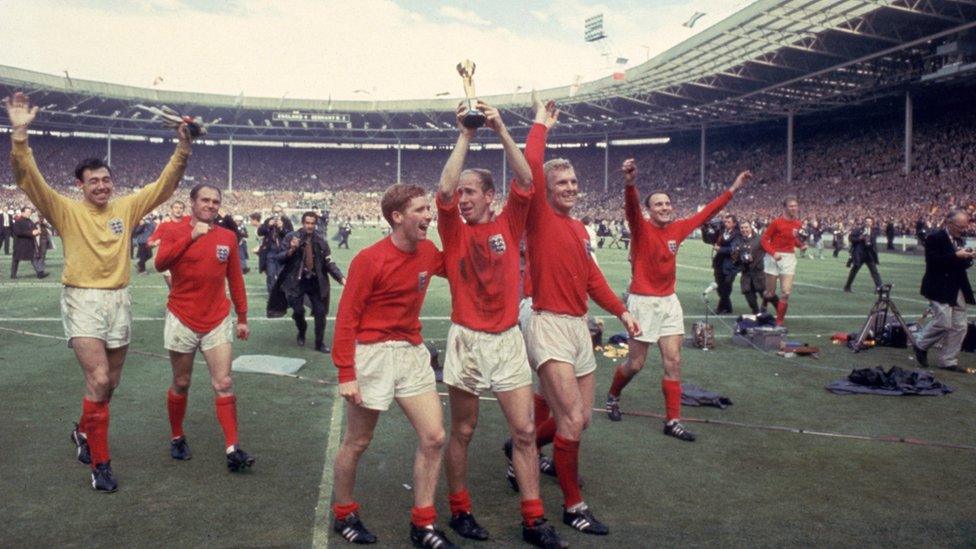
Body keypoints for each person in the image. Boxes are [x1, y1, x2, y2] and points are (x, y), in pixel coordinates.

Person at [4, 91, 192, 492]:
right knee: (99, 377)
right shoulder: (65, 209)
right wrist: (20, 134)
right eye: (94, 181)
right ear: (81, 185)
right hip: (82, 298)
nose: (102, 186)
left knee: (109, 386)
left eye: (106, 180)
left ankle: (82, 430)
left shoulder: (125, 208)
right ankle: (101, 464)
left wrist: (183, 147)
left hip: (119, 300)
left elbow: (164, 186)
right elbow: (28, 180)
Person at [435, 101, 564, 547]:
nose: (464, 199)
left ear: (491, 196)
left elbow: (528, 178)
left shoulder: (510, 221)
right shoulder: (453, 229)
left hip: (507, 339)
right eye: (463, 193)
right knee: (464, 430)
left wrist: (500, 127)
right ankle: (459, 509)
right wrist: (467, 135)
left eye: (473, 192)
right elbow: (444, 189)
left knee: (525, 431)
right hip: (466, 341)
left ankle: (533, 520)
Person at [522, 96, 639, 536]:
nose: (570, 187)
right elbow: (531, 165)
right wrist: (541, 125)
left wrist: (623, 311)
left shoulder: (578, 228)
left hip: (577, 326)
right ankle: (574, 506)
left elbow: (592, 279)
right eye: (562, 182)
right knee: (570, 418)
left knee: (581, 418)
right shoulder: (538, 216)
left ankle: (524, 449)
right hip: (548, 323)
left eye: (573, 181)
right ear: (548, 189)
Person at [329, 184, 456, 548]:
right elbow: (347, 319)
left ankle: (424, 524)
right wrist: (346, 374)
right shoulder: (369, 260)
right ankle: (344, 513)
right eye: (420, 210)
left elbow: (462, 266)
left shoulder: (429, 251)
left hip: (412, 352)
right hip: (373, 354)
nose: (428, 216)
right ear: (398, 217)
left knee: (434, 437)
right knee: (358, 441)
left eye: (429, 209)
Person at [605, 159, 751, 443]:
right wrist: (630, 183)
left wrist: (734, 188)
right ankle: (613, 395)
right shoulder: (640, 227)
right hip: (642, 302)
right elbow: (631, 207)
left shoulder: (679, 228)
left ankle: (672, 421)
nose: (664, 207)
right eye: (657, 204)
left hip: (669, 302)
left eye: (667, 203)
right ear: (649, 210)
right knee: (635, 364)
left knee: (674, 361)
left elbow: (710, 211)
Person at [154, 184, 254, 470]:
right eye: (205, 200)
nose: (210, 205)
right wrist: (191, 236)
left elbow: (235, 278)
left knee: (223, 382)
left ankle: (233, 448)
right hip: (182, 316)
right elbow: (161, 263)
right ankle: (177, 437)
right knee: (181, 382)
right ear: (192, 202)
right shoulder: (174, 230)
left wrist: (243, 317)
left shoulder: (227, 237)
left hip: (217, 318)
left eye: (215, 201)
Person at [913, 208, 976, 374]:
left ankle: (948, 360)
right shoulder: (935, 237)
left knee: (960, 326)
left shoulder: (959, 240)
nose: (962, 230)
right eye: (959, 227)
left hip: (957, 286)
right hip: (938, 286)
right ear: (948, 222)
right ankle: (920, 344)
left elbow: (960, 265)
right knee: (943, 322)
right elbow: (933, 262)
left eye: (964, 227)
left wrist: (968, 258)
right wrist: (957, 256)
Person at [272, 211, 344, 353]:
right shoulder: (291, 237)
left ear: (315, 224)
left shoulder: (321, 240)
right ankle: (302, 330)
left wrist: (341, 278)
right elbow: (279, 257)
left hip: (316, 281)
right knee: (298, 311)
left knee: (320, 312)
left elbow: (329, 262)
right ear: (303, 223)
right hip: (296, 281)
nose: (309, 226)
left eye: (312, 223)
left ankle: (319, 343)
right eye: (307, 223)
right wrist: (292, 249)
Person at [761, 196, 805, 326]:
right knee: (770, 293)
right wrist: (773, 253)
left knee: (785, 292)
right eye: (791, 206)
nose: (794, 208)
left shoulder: (798, 223)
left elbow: (793, 239)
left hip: (789, 258)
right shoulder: (776, 223)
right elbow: (764, 240)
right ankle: (764, 301)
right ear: (785, 207)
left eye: (795, 206)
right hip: (773, 257)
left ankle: (779, 321)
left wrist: (800, 245)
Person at [150, 201, 189, 289]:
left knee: (185, 289)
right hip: (168, 259)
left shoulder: (188, 220)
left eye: (180, 208)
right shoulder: (164, 225)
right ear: (171, 209)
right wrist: (152, 243)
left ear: (183, 210)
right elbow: (152, 239)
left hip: (184, 260)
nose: (178, 210)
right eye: (176, 207)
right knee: (173, 289)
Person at [733, 220, 766, 314]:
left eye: (746, 227)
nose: (744, 229)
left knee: (766, 294)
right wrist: (735, 257)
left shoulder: (759, 239)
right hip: (746, 272)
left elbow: (767, 250)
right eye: (742, 228)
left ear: (751, 227)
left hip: (759, 271)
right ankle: (756, 312)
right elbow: (735, 259)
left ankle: (778, 311)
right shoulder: (738, 240)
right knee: (747, 291)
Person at [843, 216, 883, 292]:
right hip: (860, 255)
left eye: (870, 222)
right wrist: (859, 238)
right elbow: (850, 238)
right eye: (867, 221)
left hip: (869, 254)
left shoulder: (874, 230)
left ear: (872, 223)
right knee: (854, 271)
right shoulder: (858, 230)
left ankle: (879, 287)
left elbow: (878, 233)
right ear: (864, 222)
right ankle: (847, 286)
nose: (868, 223)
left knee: (874, 272)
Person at [711, 213, 740, 314]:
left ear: (734, 224)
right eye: (725, 222)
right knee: (720, 286)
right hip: (719, 263)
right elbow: (709, 240)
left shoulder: (737, 234)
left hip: (731, 264)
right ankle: (728, 307)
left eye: (729, 222)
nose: (726, 224)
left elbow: (733, 249)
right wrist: (705, 229)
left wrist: (720, 249)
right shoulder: (721, 231)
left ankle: (720, 308)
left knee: (726, 286)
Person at [258, 208, 290, 293]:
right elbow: (259, 232)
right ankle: (272, 296)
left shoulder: (286, 221)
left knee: (282, 275)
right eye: (275, 212)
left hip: (282, 252)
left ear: (282, 212)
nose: (276, 214)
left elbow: (290, 235)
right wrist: (268, 225)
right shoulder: (268, 221)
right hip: (270, 252)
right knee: (270, 275)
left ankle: (283, 295)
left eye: (278, 211)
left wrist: (282, 228)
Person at [11, 206, 47, 279]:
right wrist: (31, 233)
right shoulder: (18, 221)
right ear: (23, 212)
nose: (29, 213)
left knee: (34, 258)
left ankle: (40, 273)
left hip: (29, 244)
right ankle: (13, 275)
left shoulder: (29, 220)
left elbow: (34, 229)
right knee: (16, 259)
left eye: (30, 212)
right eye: (28, 212)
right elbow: (18, 232)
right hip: (20, 244)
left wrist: (37, 231)